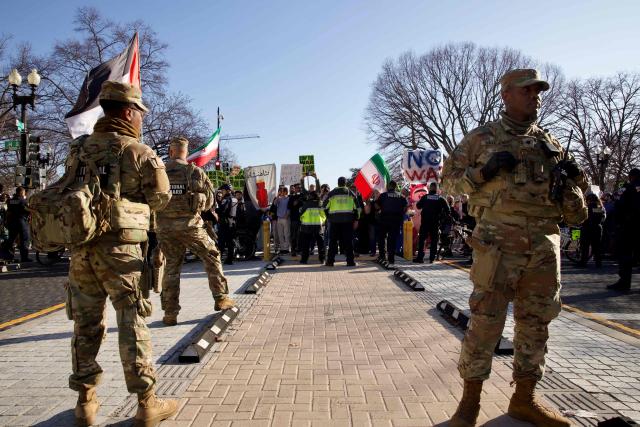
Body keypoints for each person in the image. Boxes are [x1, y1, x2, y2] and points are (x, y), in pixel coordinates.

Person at [442, 69, 588, 427]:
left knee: (536, 323)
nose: (535, 97)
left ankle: (525, 399)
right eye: (527, 91)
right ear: (506, 94)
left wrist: (574, 181)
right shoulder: (482, 138)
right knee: (485, 322)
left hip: (543, 246)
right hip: (498, 245)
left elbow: (578, 215)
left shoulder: (550, 144)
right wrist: (483, 172)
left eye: (538, 92)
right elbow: (448, 183)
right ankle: (468, 406)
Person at [63, 81, 177, 426]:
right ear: (128, 112)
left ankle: (85, 401)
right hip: (122, 251)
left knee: (85, 323)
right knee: (132, 320)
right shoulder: (137, 152)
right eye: (139, 113)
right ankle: (146, 403)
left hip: (81, 251)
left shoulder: (77, 149)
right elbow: (161, 198)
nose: (141, 119)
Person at [156, 137, 235, 326]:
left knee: (171, 268)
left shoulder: (159, 173)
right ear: (185, 151)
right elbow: (209, 203)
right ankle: (221, 298)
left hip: (165, 228)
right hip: (190, 227)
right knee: (211, 256)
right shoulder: (194, 172)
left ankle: (170, 313)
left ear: (171, 151)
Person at [608, 168, 640, 292]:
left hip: (630, 226)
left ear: (631, 176)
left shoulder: (629, 188)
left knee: (625, 255)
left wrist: (620, 223)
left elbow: (620, 206)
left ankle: (624, 283)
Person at [324, 176, 358, 266]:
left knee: (332, 242)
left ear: (338, 183)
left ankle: (330, 262)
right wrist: (356, 219)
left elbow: (324, 207)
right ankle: (350, 262)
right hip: (348, 222)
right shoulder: (350, 193)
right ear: (345, 183)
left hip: (334, 221)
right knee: (348, 242)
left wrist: (328, 217)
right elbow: (358, 208)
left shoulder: (331, 193)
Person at [413, 182, 450, 263]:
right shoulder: (441, 198)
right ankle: (432, 258)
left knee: (422, 240)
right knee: (434, 240)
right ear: (437, 189)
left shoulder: (425, 197)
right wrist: (442, 218)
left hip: (425, 222)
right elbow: (448, 211)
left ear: (430, 189)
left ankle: (420, 258)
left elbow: (418, 206)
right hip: (435, 222)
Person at [375, 181, 407, 266]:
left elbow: (377, 207)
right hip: (396, 220)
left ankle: (382, 256)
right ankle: (391, 259)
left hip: (384, 220)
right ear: (395, 187)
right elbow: (405, 208)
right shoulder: (401, 196)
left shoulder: (383, 195)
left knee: (381, 238)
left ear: (389, 186)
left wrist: (379, 205)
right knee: (392, 240)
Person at [2, 186, 31, 262]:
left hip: (12, 222)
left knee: (11, 239)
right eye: (24, 192)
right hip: (22, 222)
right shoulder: (23, 201)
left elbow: (8, 211)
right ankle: (24, 258)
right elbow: (29, 211)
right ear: (22, 192)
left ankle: (5, 254)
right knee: (24, 239)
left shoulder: (11, 201)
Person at [298, 187, 326, 264]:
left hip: (307, 227)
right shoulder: (320, 204)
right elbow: (324, 215)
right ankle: (322, 259)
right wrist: (321, 222)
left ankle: (304, 260)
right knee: (321, 244)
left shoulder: (306, 204)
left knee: (306, 245)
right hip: (318, 227)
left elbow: (301, 215)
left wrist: (303, 221)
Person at [579, 193, 606, 268]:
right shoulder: (599, 207)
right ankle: (598, 263)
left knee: (585, 247)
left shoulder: (585, 208)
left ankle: (583, 262)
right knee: (597, 247)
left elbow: (581, 218)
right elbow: (602, 218)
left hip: (586, 229)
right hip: (597, 228)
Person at [216, 184, 237, 264]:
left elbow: (222, 210)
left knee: (221, 242)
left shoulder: (226, 199)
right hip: (232, 221)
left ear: (227, 190)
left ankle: (218, 260)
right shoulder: (234, 198)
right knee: (230, 242)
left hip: (225, 222)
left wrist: (215, 209)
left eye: (223, 190)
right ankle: (229, 259)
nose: (222, 192)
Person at [288, 183, 303, 256]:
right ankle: (293, 250)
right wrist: (294, 204)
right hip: (294, 219)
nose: (299, 188)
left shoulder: (303, 196)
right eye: (297, 187)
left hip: (303, 219)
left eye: (300, 187)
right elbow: (289, 207)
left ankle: (300, 249)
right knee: (293, 235)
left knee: (301, 235)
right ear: (294, 189)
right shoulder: (291, 197)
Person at [275, 186, 290, 254]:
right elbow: (275, 203)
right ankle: (282, 248)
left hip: (285, 218)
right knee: (280, 234)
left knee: (286, 234)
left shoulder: (288, 199)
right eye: (281, 191)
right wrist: (278, 195)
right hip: (279, 218)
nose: (282, 192)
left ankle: (286, 248)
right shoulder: (279, 199)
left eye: (284, 191)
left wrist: (287, 215)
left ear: (286, 192)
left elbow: (289, 208)